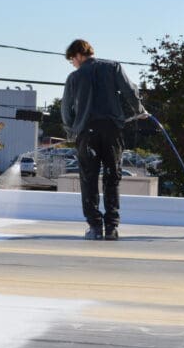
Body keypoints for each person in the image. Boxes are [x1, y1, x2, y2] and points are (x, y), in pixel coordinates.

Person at [61, 39, 146, 241]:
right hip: (112, 130)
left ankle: (95, 227)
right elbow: (130, 91)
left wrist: (72, 129)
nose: (73, 63)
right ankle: (112, 227)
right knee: (112, 177)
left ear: (79, 55)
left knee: (88, 179)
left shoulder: (75, 77)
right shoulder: (113, 68)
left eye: (72, 59)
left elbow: (66, 109)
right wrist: (139, 111)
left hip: (86, 132)